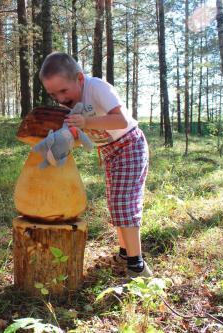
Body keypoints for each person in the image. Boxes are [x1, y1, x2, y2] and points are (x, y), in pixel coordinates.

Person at [39, 52, 151, 277]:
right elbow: (81, 134)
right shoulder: (71, 103)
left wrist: (87, 121)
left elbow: (122, 120)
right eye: (53, 94)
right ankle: (124, 253)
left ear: (79, 79)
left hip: (129, 145)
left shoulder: (97, 87)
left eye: (63, 90)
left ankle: (137, 267)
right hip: (109, 151)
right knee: (115, 204)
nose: (60, 98)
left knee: (125, 204)